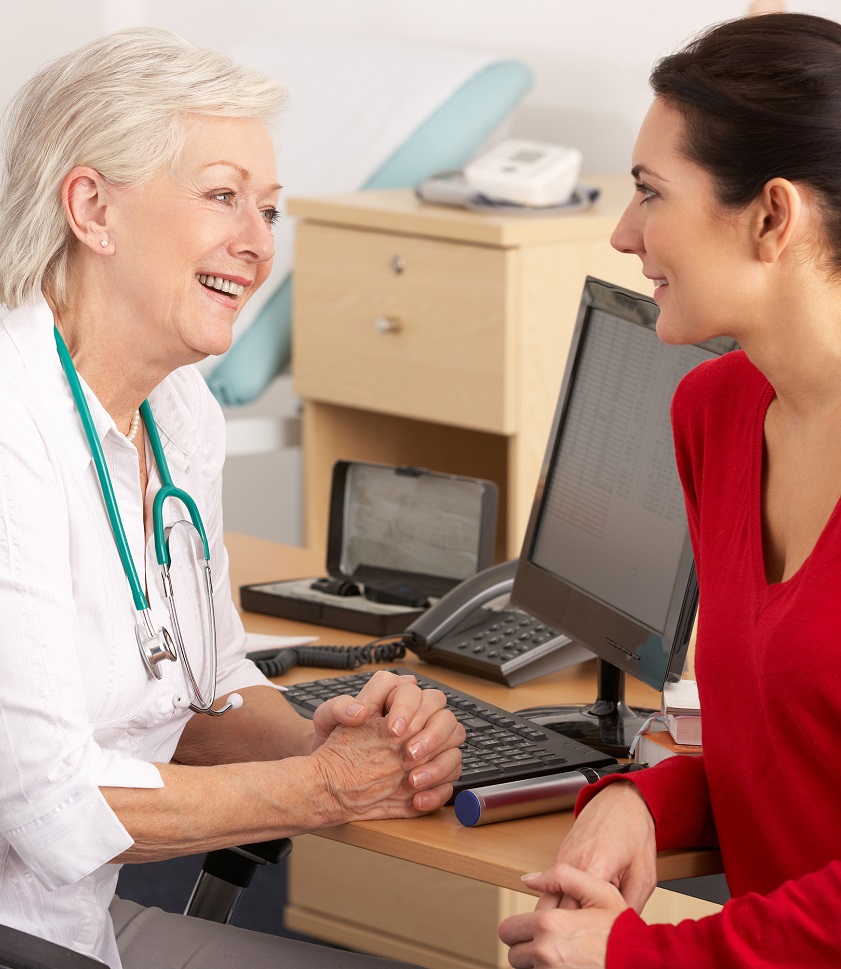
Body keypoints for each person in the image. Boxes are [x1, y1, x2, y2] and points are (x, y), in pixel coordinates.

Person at [0, 27, 464, 969]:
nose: (257, 246)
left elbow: (197, 686)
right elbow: (55, 811)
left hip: (72, 925)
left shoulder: (176, 412)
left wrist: (318, 741)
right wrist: (329, 787)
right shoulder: (13, 424)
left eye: (268, 209)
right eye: (222, 197)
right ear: (92, 207)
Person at [498, 11, 841, 969]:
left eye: (650, 193)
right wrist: (640, 797)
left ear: (773, 216)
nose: (621, 232)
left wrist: (634, 957)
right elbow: (786, 759)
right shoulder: (715, 414)